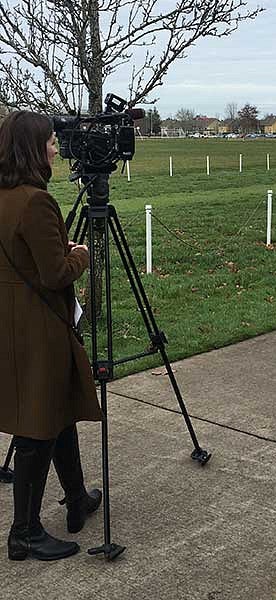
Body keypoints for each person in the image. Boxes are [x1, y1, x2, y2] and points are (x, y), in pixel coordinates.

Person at [0, 111, 104, 561]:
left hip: (12, 323)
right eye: (50, 143)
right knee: (36, 429)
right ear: (31, 149)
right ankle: (23, 532)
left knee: (55, 413)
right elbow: (55, 272)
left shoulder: (4, 197)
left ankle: (77, 496)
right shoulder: (35, 202)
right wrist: (81, 255)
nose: (57, 149)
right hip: (39, 330)